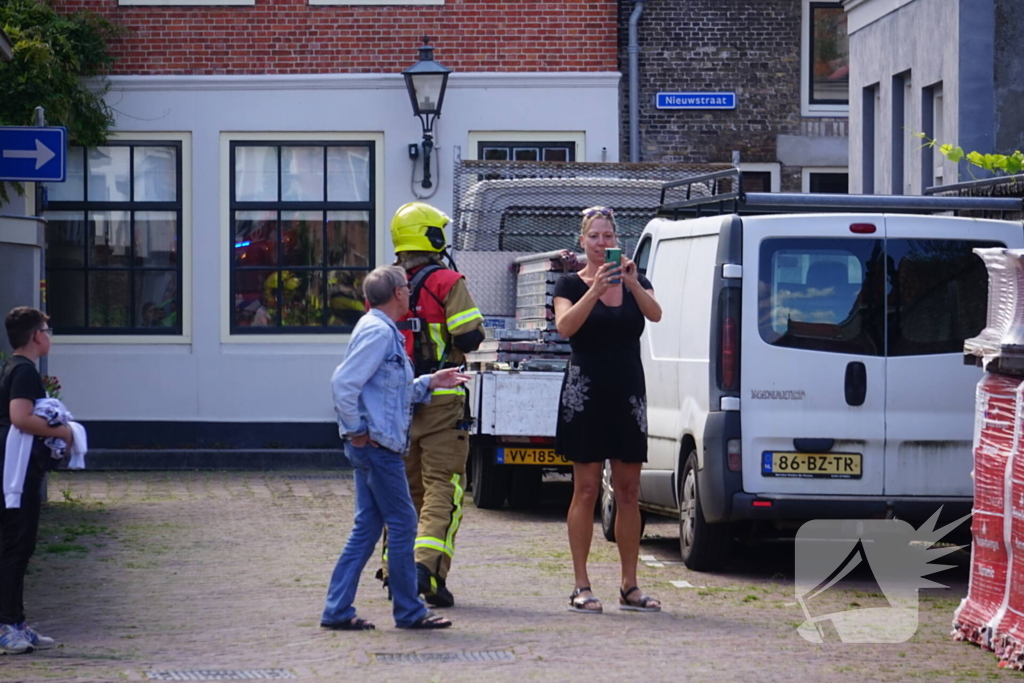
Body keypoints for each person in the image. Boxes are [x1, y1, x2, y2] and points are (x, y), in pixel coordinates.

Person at [321, 266, 470, 631]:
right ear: (400, 293)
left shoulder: (379, 329)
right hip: (378, 447)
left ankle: (337, 609)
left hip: (375, 445)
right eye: (406, 288)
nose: (410, 293)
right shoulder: (379, 332)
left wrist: (430, 381)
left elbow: (388, 389)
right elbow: (343, 383)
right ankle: (410, 611)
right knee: (404, 523)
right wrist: (356, 430)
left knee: (366, 529)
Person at [552, 206, 663, 615]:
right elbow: (566, 328)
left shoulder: (636, 279)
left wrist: (632, 285)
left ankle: (629, 585)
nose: (602, 243)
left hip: (627, 393)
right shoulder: (569, 282)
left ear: (618, 240)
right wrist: (595, 290)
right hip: (586, 392)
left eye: (608, 236)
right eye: (594, 236)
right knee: (585, 489)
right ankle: (581, 584)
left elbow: (655, 314)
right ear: (583, 241)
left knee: (630, 492)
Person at [377, 202, 484, 608]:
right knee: (444, 487)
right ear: (431, 236)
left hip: (397, 404)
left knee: (404, 492)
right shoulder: (446, 281)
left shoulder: (385, 285)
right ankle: (423, 569)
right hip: (441, 400)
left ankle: (394, 572)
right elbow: (469, 337)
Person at [0, 307, 70, 654]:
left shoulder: (13, 368)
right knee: (17, 545)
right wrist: (66, 432)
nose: (49, 334)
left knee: (20, 544)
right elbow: (20, 418)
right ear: (35, 336)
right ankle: (7, 624)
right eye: (47, 328)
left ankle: (17, 621)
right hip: (17, 471)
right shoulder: (25, 371)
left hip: (14, 468)